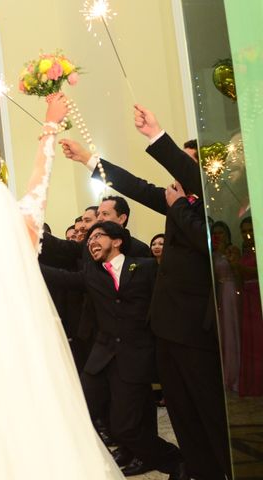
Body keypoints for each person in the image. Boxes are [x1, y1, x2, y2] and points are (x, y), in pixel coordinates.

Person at [0, 94, 123, 479]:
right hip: (32, 352)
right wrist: (49, 126)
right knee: (45, 434)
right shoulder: (24, 226)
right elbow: (39, 179)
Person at [59, 104, 231, 480]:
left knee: (209, 415)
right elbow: (134, 186)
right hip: (166, 330)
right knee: (184, 418)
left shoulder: (215, 212)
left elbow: (207, 244)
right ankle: (198, 470)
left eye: (186, 166)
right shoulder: (177, 204)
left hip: (196, 333)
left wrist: (159, 138)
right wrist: (89, 159)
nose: (175, 174)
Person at [42, 222, 186, 478]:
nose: (91, 242)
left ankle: (176, 462)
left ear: (117, 240)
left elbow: (165, 307)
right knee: (79, 412)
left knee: (125, 428)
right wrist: (22, 261)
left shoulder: (146, 267)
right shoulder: (91, 274)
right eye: (89, 240)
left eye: (98, 236)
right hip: (100, 359)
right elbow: (57, 276)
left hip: (134, 359)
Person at [210, 221, 241, 392]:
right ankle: (224, 374)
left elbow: (238, 272)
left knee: (232, 330)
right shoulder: (212, 253)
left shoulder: (232, 250)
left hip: (231, 291)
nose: (218, 236)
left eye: (221, 233)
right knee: (222, 332)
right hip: (218, 292)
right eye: (215, 233)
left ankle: (235, 375)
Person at [237, 216, 263, 396]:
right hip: (247, 297)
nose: (247, 234)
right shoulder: (243, 251)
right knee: (250, 339)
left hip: (258, 296)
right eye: (244, 231)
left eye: (250, 230)